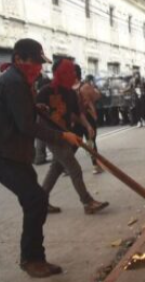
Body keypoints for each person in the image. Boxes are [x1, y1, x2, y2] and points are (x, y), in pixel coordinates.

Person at [0, 39, 82, 278]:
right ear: (19, 59)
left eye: (40, 63)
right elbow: (26, 126)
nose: (38, 68)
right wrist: (62, 135)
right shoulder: (15, 82)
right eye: (34, 62)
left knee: (34, 201)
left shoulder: (19, 81)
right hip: (2, 156)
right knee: (36, 200)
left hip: (13, 155)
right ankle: (32, 259)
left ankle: (33, 256)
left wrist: (38, 109)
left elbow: (21, 113)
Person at [38, 59, 109, 214]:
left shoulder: (70, 93)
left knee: (57, 167)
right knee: (74, 168)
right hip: (51, 135)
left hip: (66, 133)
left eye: (73, 72)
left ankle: (40, 201)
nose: (72, 75)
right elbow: (36, 114)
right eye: (67, 72)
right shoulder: (45, 91)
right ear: (58, 74)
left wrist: (88, 126)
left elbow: (76, 114)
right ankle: (87, 202)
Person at [73, 65, 103, 174]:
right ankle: (95, 165)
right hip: (87, 117)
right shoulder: (85, 86)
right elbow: (97, 96)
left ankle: (66, 166)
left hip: (74, 119)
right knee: (91, 141)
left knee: (74, 142)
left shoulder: (67, 88)